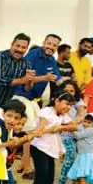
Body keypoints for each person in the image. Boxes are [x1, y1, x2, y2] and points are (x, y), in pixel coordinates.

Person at [11, 93, 76, 184]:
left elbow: (74, 126)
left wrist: (60, 127)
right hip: (39, 147)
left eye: (70, 105)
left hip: (50, 149)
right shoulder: (47, 111)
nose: (68, 107)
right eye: (66, 104)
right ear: (57, 100)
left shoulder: (62, 115)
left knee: (48, 182)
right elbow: (40, 128)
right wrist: (39, 131)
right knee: (41, 176)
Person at [13, 34, 61, 175]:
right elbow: (28, 77)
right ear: (43, 43)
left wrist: (65, 82)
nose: (51, 47)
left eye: (54, 46)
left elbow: (57, 78)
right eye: (49, 44)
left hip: (33, 99)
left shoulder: (51, 60)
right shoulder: (33, 55)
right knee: (31, 132)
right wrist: (45, 78)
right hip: (21, 95)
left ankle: (23, 165)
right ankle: (27, 168)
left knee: (35, 130)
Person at [0, 33, 34, 129]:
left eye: (23, 47)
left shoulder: (26, 63)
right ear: (12, 44)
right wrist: (22, 80)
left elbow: (26, 89)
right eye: (17, 46)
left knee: (0, 138)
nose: (20, 50)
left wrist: (30, 80)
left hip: (5, 109)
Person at [55, 81, 86, 184]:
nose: (69, 93)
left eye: (72, 91)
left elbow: (82, 114)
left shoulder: (78, 102)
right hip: (65, 136)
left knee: (77, 161)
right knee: (69, 159)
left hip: (77, 134)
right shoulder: (59, 101)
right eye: (66, 90)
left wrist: (75, 122)